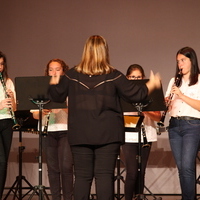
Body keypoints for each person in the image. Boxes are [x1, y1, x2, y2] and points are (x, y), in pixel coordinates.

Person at [48, 35, 161, 200]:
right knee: (104, 177)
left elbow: (56, 96)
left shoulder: (72, 75)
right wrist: (152, 84)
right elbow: (136, 94)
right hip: (108, 135)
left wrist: (54, 80)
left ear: (86, 51)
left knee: (82, 177)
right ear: (104, 52)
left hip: (80, 134)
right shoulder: (114, 75)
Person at [32, 59, 74, 200]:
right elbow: (35, 114)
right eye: (51, 69)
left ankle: (68, 197)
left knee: (66, 167)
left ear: (63, 71)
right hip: (47, 130)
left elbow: (75, 112)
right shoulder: (43, 87)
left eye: (57, 69)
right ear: (47, 71)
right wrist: (42, 110)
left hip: (65, 129)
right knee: (52, 169)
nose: (54, 72)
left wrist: (61, 103)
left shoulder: (69, 87)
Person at [122, 64, 161, 200]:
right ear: (127, 78)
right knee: (132, 172)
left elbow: (158, 116)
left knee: (141, 171)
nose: (136, 79)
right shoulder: (122, 93)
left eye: (139, 77)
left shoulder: (149, 92)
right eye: (133, 77)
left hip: (146, 134)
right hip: (128, 135)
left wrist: (145, 111)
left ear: (143, 78)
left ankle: (139, 197)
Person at [166, 47, 200, 200]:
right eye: (178, 61)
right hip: (174, 126)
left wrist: (181, 95)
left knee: (187, 167)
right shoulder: (174, 81)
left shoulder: (199, 80)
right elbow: (169, 107)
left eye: (183, 60)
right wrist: (166, 103)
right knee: (181, 168)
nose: (180, 64)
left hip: (192, 126)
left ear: (191, 60)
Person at [0, 51, 16, 199]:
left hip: (7, 122)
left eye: (1, 64)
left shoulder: (8, 81)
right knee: (1, 160)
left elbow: (15, 108)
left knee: (4, 163)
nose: (0, 67)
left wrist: (12, 99)